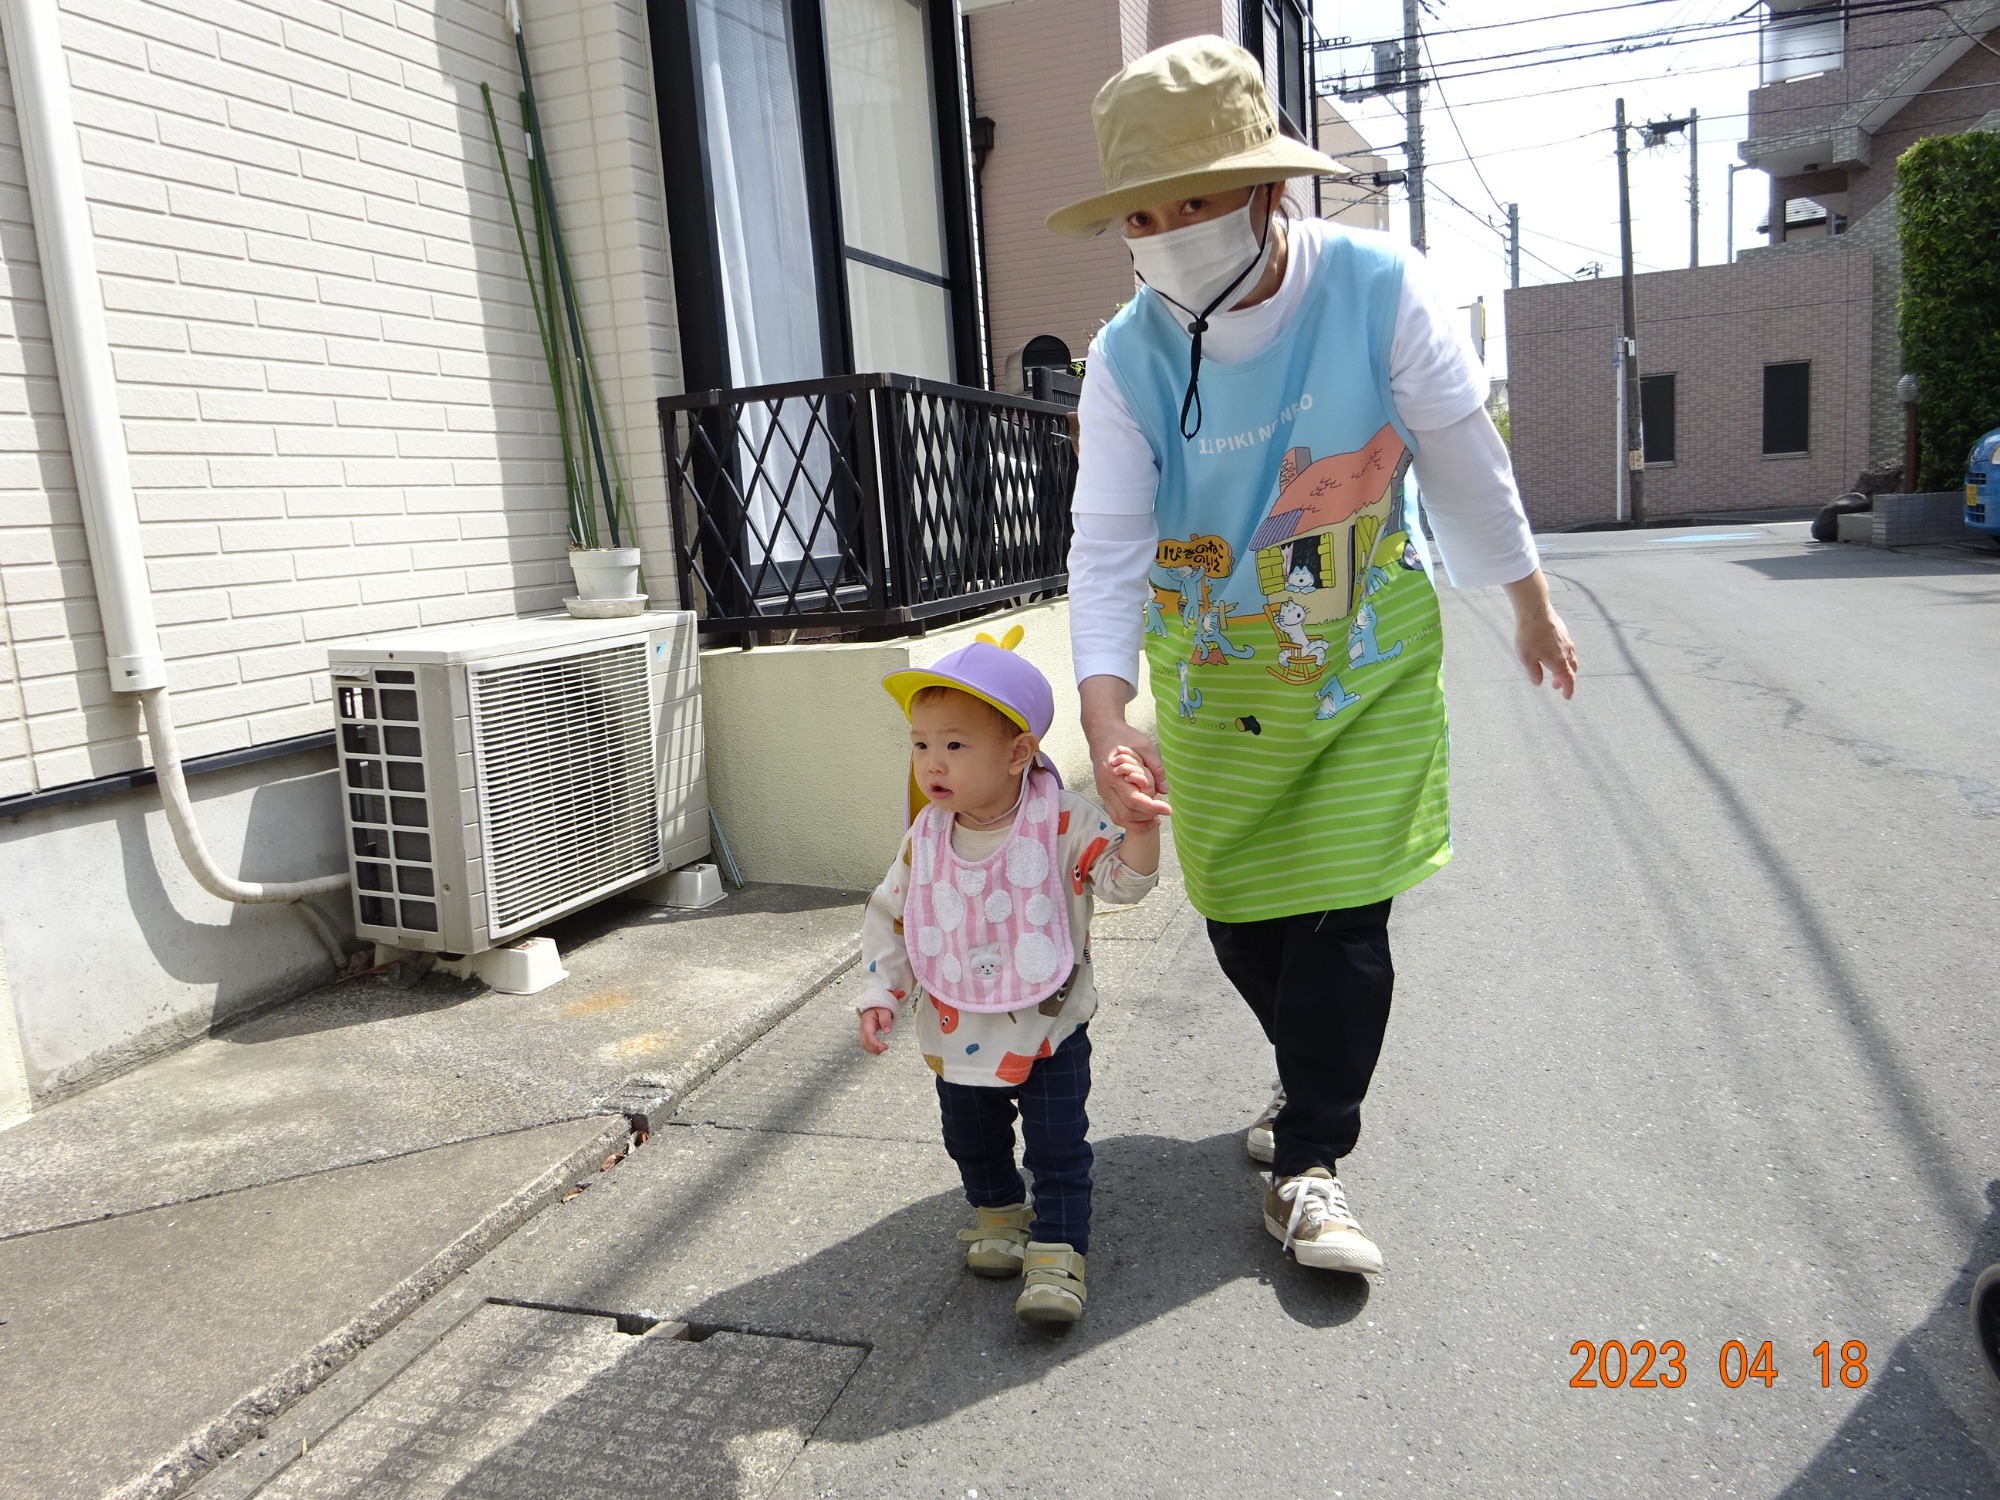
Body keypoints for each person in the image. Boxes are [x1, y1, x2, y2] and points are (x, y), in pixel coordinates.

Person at [1047, 37, 1578, 1276]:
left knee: (1341, 919)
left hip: (1358, 667)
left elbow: (1460, 456)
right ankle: (1303, 1087)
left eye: (1197, 198)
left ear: (1266, 190)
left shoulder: (1376, 288)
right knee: (1243, 922)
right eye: (1146, 210)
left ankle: (1309, 1165)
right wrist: (1107, 718)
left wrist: (1527, 601)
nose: (1170, 228)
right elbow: (1108, 543)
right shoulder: (1125, 358)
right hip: (1210, 676)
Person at [856, 632, 1160, 1324]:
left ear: (1019, 752)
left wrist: (1138, 829)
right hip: (956, 1025)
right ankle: (997, 1211)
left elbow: (1120, 881)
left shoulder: (1057, 821)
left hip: (1049, 1028)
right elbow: (895, 914)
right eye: (920, 743)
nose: (931, 762)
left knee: (1057, 1146)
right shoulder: (926, 835)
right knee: (971, 1138)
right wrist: (881, 991)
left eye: (954, 745)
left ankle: (1057, 1250)